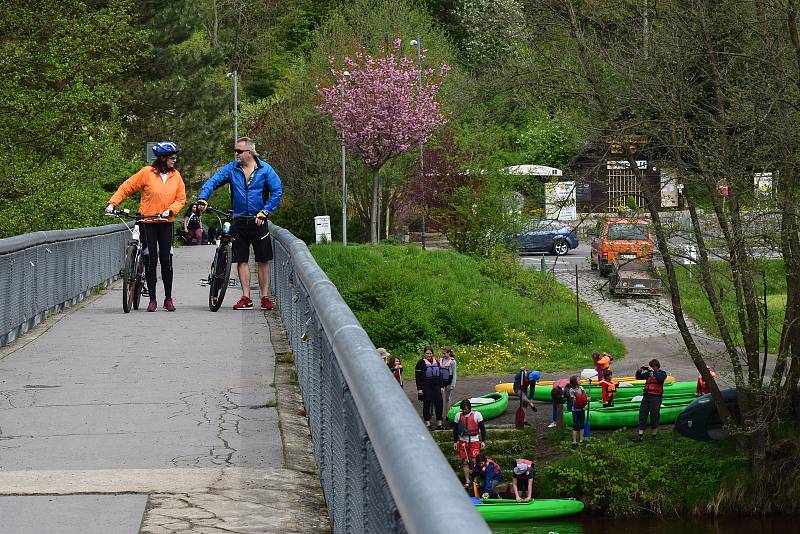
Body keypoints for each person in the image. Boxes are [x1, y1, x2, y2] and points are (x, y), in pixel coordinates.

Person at [197, 137, 283, 310]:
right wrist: (202, 198)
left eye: (239, 151)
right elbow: (212, 182)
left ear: (249, 153)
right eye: (235, 151)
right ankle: (246, 297)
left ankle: (265, 297)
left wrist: (265, 211)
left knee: (263, 260)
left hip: (258, 221)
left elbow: (277, 191)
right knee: (241, 260)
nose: (235, 154)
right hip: (239, 220)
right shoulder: (232, 169)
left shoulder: (265, 170)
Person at [106, 141, 186, 312]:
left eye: (175, 157)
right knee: (151, 260)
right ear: (163, 158)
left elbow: (181, 199)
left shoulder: (176, 176)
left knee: (166, 261)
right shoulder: (147, 173)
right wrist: (112, 203)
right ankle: (153, 299)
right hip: (148, 222)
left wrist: (171, 210)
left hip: (166, 223)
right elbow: (127, 187)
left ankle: (168, 298)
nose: (175, 160)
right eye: (172, 157)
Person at [452, 399, 487, 488]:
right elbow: (455, 430)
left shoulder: (477, 415)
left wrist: (483, 441)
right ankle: (467, 481)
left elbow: (482, 428)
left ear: (470, 408)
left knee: (476, 460)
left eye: (466, 409)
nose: (465, 411)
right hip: (463, 441)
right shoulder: (458, 416)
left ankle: (475, 479)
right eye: (463, 409)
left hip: (474, 440)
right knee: (464, 461)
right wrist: (455, 442)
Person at [635, 358, 668, 441]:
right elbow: (638, 377)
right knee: (642, 415)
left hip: (656, 398)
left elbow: (660, 379)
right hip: (646, 397)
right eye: (651, 367)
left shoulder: (662, 373)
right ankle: (640, 435)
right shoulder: (649, 373)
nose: (652, 368)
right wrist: (639, 370)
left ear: (656, 366)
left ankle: (654, 435)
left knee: (655, 416)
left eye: (653, 366)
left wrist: (654, 373)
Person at [415, 347, 444, 429]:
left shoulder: (437, 362)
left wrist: (441, 386)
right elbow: (418, 377)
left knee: (439, 403)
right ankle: (427, 422)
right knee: (427, 404)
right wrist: (419, 389)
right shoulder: (420, 363)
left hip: (436, 386)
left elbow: (440, 376)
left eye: (430, 353)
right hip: (425, 386)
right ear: (424, 354)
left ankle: (439, 422)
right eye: (427, 353)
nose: (429, 355)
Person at [567, 375, 589, 446]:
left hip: (582, 409)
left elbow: (584, 397)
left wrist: (587, 399)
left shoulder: (582, 388)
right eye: (578, 380)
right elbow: (574, 401)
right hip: (575, 411)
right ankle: (574, 441)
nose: (580, 381)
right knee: (576, 425)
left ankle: (581, 439)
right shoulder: (571, 390)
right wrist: (583, 400)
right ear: (574, 382)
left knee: (582, 424)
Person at [440, 347, 457, 415]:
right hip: (441, 381)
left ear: (449, 353)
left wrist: (453, 385)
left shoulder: (452, 361)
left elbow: (454, 373)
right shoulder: (441, 360)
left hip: (449, 382)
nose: (443, 355)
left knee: (447, 398)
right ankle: (440, 413)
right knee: (439, 398)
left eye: (445, 353)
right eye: (442, 353)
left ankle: (447, 414)